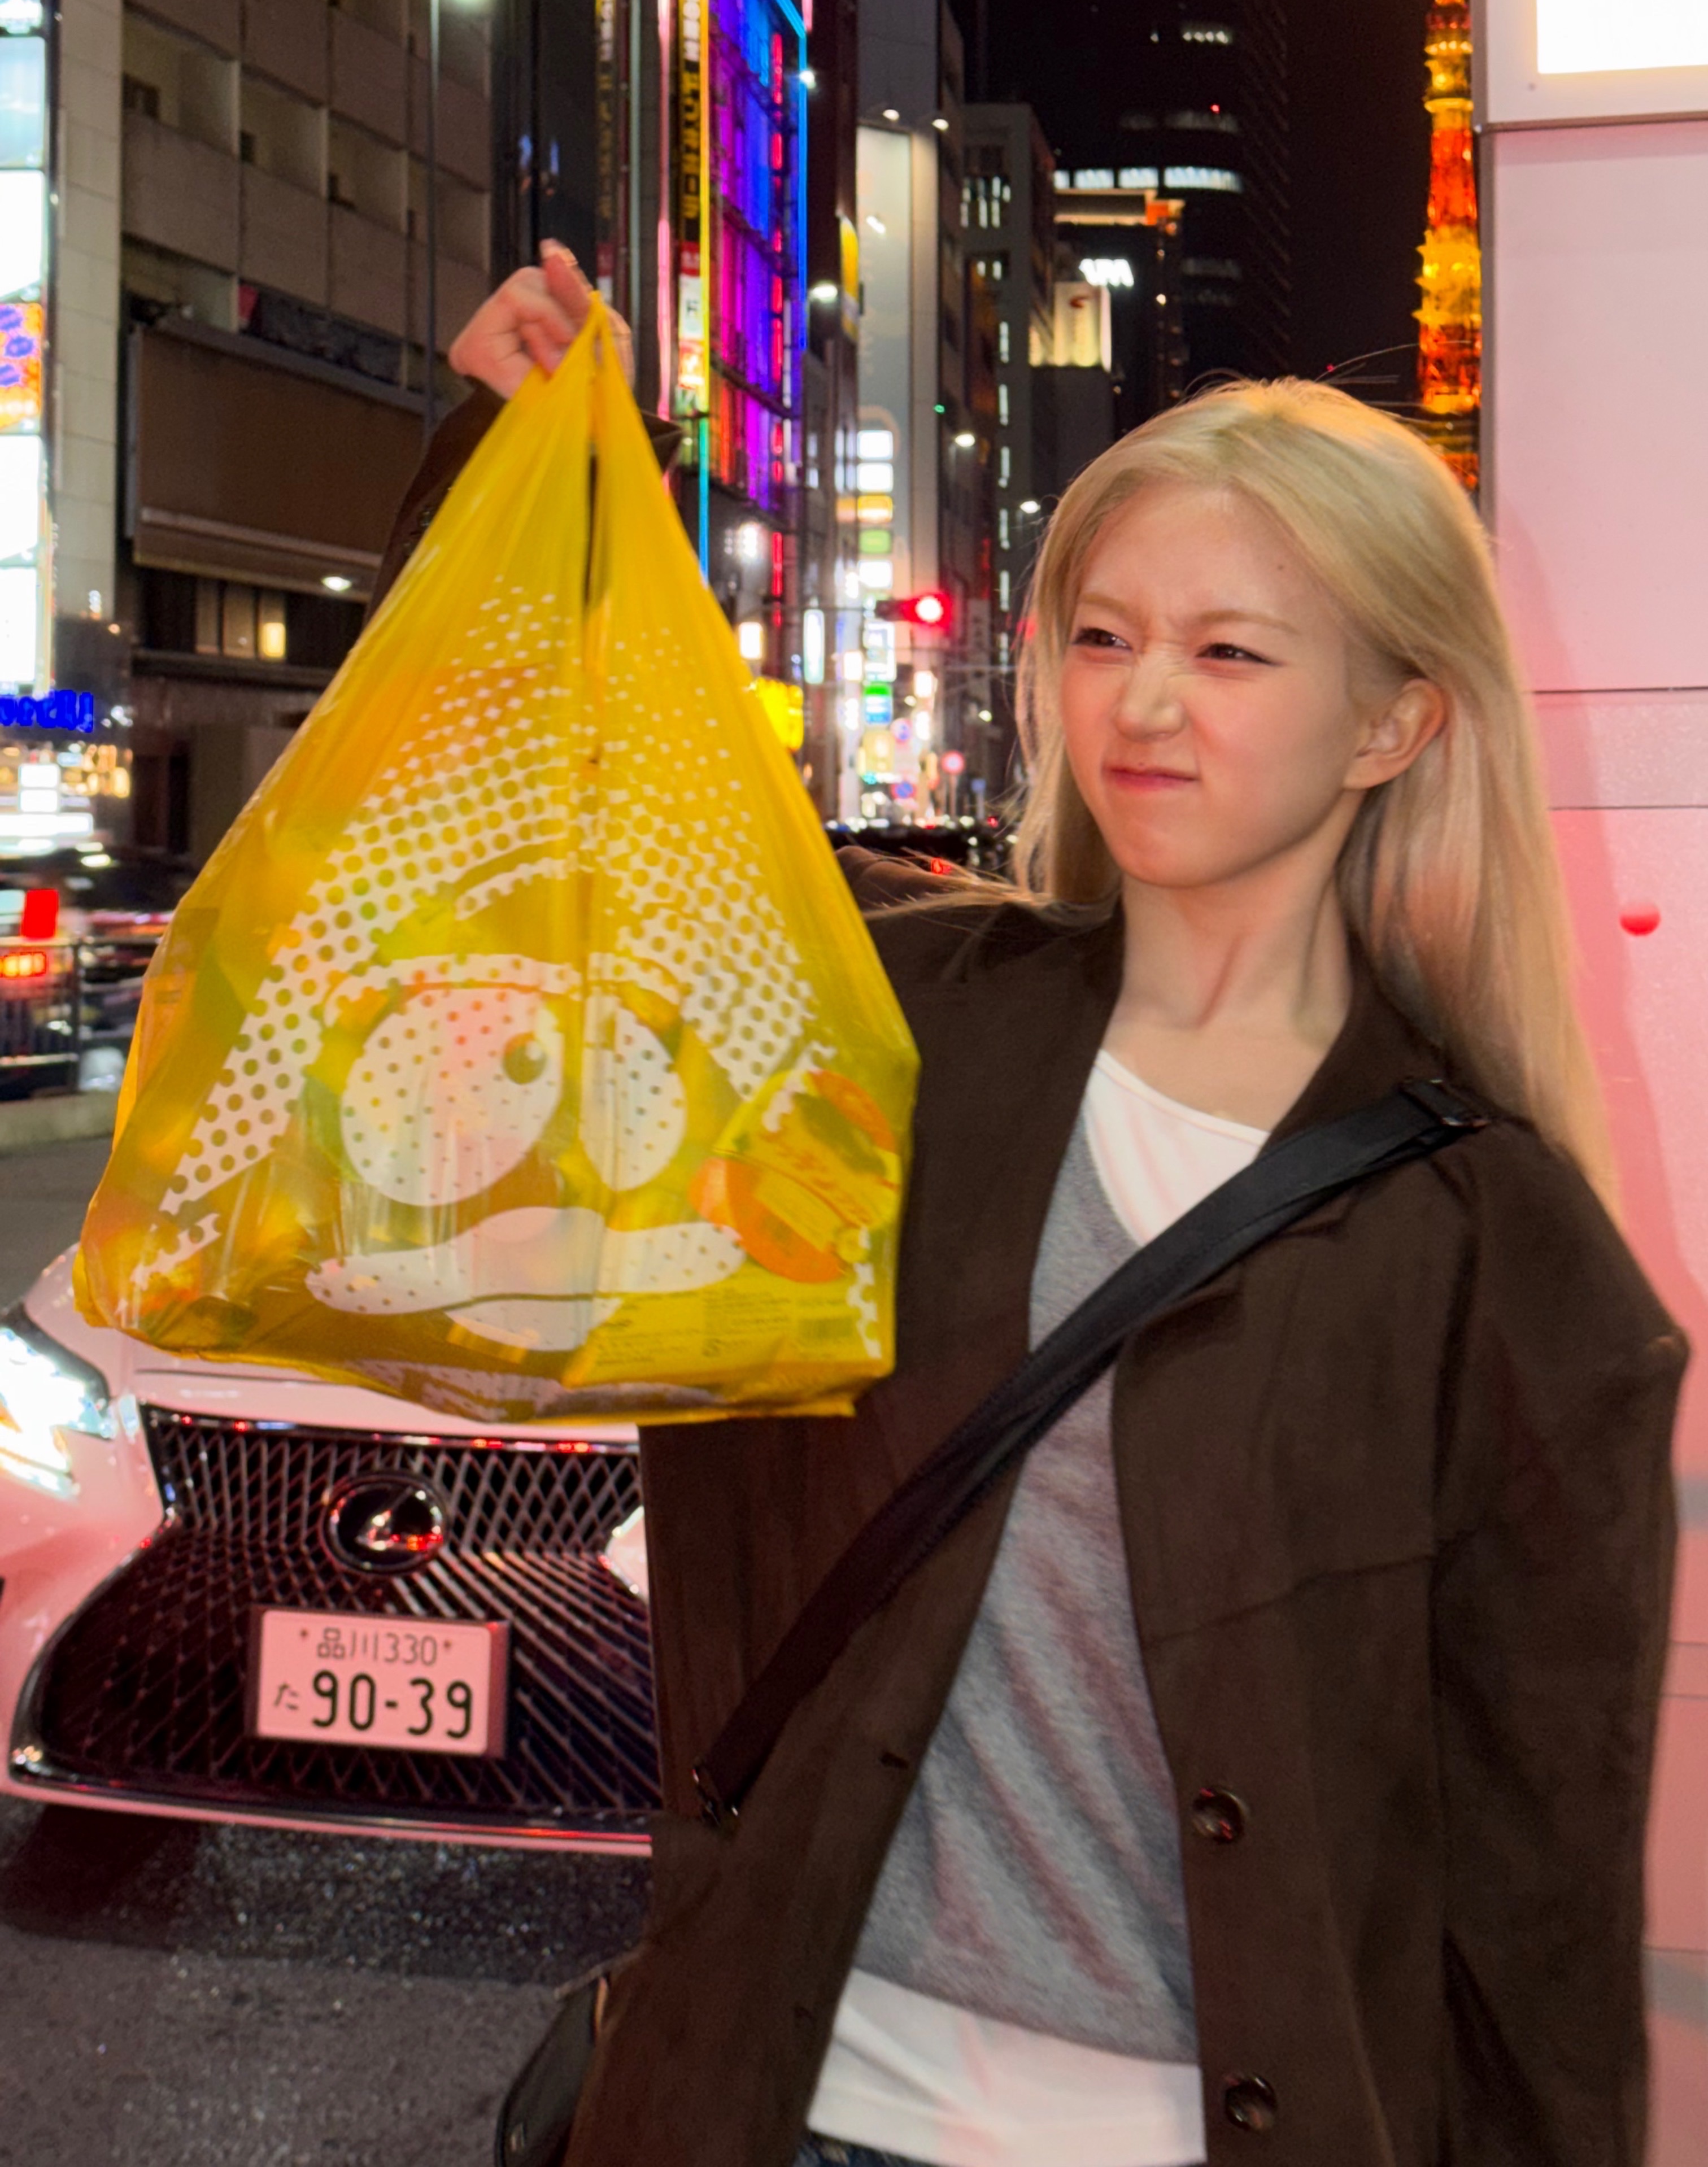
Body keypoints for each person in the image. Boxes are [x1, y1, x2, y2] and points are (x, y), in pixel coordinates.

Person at [381, 252, 1684, 2167]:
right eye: (1102, 635)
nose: (1144, 701)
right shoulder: (885, 1028)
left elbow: (1532, 1923)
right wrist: (522, 472)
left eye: (1231, 654)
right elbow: (560, 846)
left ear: (1395, 724)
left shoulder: (1505, 1259)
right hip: (778, 2102)